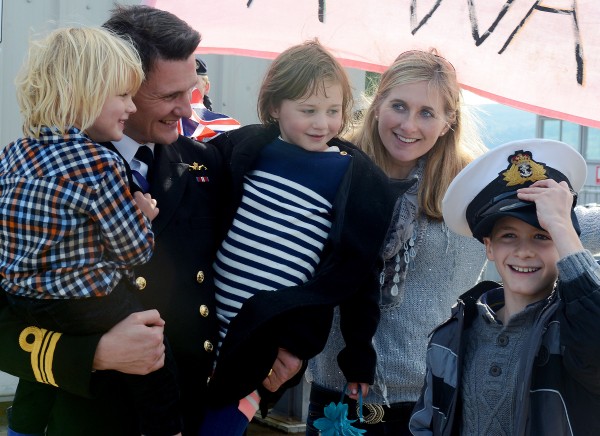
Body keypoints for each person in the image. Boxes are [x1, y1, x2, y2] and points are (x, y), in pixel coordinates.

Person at [0, 5, 300, 436]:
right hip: (84, 418)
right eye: (168, 96)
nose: (188, 109)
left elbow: (257, 258)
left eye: (191, 90)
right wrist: (95, 353)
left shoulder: (205, 164)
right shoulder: (41, 170)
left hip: (188, 410)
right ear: (117, 85)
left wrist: (285, 344)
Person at [305, 49, 600, 435]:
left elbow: (559, 222)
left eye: (427, 113)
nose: (409, 125)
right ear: (377, 105)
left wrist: (560, 215)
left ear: (448, 121)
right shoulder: (330, 167)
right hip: (334, 399)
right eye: (398, 106)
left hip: (432, 403)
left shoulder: (474, 194)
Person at [200, 40, 413, 435]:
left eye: (333, 111)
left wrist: (357, 354)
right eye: (308, 111)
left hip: (264, 339)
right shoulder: (245, 150)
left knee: (220, 425)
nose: (322, 124)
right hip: (204, 322)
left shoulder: (347, 176)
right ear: (275, 107)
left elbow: (357, 272)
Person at [0, 26, 183, 436]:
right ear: (81, 95)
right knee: (154, 350)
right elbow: (133, 251)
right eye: (121, 95)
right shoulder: (100, 163)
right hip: (84, 298)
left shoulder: (14, 152)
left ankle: (22, 428)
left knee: (41, 375)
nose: (130, 108)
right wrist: (143, 217)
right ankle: (167, 428)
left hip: (23, 297)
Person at [410, 138, 600, 435]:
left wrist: (561, 226)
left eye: (542, 236)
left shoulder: (572, 334)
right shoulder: (451, 338)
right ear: (489, 247)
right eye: (508, 236)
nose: (524, 251)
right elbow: (426, 425)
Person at [177, 55, 241, 142]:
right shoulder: (164, 125)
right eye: (180, 83)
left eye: (193, 84)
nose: (186, 90)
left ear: (206, 87)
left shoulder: (221, 129)